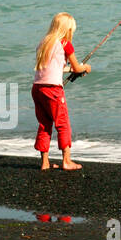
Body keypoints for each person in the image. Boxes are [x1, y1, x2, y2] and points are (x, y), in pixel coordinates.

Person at [31, 12, 91, 171]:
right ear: (67, 30)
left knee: (44, 124)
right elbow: (78, 68)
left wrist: (71, 69)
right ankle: (67, 161)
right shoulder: (65, 44)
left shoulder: (44, 43)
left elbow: (53, 67)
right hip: (53, 90)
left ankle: (44, 163)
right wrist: (84, 68)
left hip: (37, 88)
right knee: (63, 124)